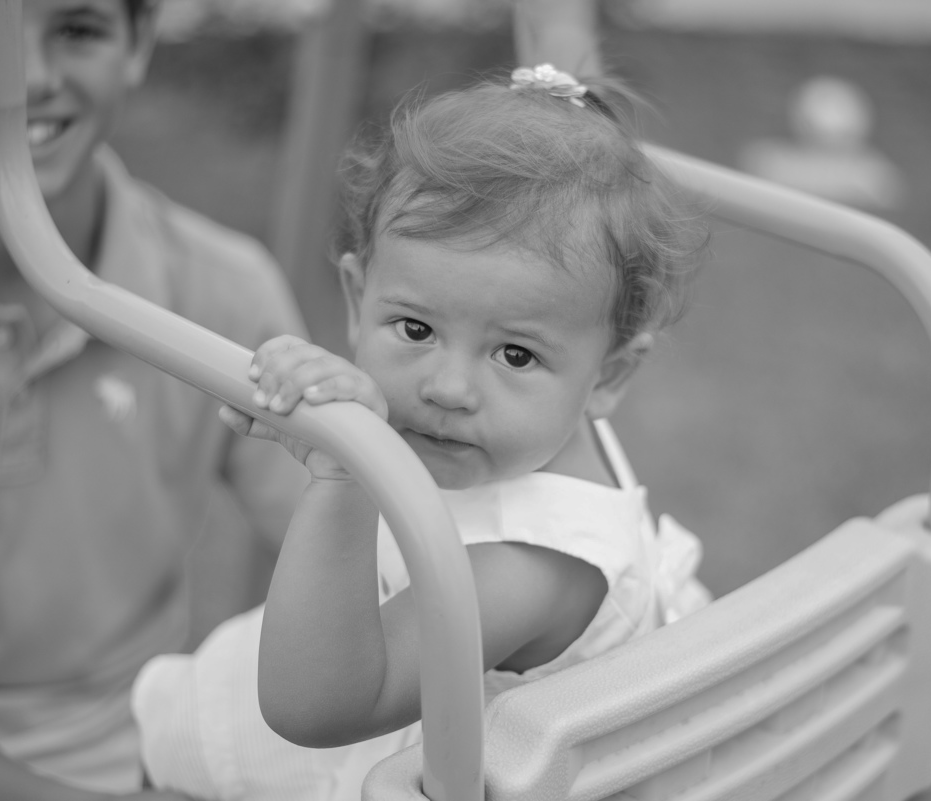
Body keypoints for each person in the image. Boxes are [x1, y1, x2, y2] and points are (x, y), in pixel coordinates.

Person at [132, 64, 712, 800]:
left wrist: (345, 473)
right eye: (415, 328)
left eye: (515, 355)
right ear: (357, 297)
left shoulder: (537, 565)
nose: (448, 388)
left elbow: (316, 706)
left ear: (609, 375)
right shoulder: (549, 434)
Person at [0, 0, 309, 798]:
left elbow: (367, 566)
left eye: (78, 30)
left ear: (138, 41)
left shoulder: (221, 288)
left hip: (146, 740)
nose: (30, 79)